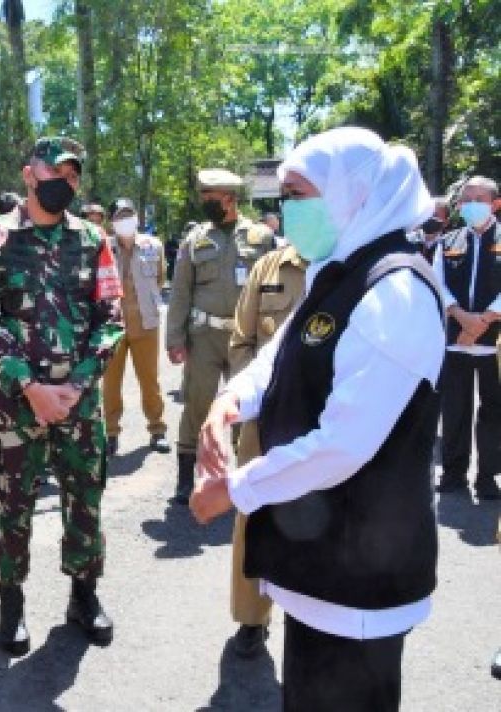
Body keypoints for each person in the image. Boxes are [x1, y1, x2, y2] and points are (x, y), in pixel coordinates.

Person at [191, 127, 444, 712]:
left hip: (361, 577)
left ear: (351, 195)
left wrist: (235, 489)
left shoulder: (394, 291)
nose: (288, 210)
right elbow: (279, 356)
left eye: (299, 194)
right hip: (323, 567)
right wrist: (230, 402)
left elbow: (342, 446)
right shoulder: (338, 271)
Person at [0, 136, 124, 655]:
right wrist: (30, 387)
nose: (65, 182)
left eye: (73, 175)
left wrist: (75, 385)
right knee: (10, 504)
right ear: (29, 174)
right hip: (17, 404)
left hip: (79, 402)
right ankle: (10, 606)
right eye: (56, 172)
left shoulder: (93, 240)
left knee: (85, 499)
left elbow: (110, 320)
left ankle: (84, 595)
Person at [163, 169, 271, 505]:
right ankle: (186, 478)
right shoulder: (194, 240)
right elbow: (180, 292)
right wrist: (175, 338)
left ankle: (245, 477)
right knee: (197, 403)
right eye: (203, 196)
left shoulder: (261, 238)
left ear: (229, 198)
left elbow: (273, 289)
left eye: (209, 197)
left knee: (244, 407)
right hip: (204, 336)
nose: (204, 202)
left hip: (245, 338)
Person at [225, 243, 306, 658]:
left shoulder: (352, 262)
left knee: (317, 519)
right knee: (254, 516)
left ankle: (310, 616)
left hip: (324, 422)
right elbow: (242, 341)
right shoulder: (269, 267)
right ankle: (252, 619)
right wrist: (254, 403)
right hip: (266, 417)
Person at [432, 175, 500, 500]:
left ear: (495, 204)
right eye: (466, 199)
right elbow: (438, 283)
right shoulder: (448, 241)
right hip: (456, 339)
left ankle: (487, 477)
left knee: (493, 411)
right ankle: (453, 474)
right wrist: (461, 317)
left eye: (479, 199)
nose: (471, 205)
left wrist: (483, 321)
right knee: (455, 410)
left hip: (494, 343)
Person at [102, 197, 171, 455]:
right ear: (112, 222)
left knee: (150, 381)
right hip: (113, 327)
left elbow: (160, 279)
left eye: (128, 215)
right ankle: (110, 433)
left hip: (146, 323)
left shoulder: (154, 245)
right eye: (119, 216)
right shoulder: (102, 248)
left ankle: (157, 429)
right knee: (110, 384)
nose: (125, 221)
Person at [416, 197, 449, 263]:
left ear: (445, 222)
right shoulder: (409, 241)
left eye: (435, 215)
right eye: (427, 214)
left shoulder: (447, 248)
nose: (430, 218)